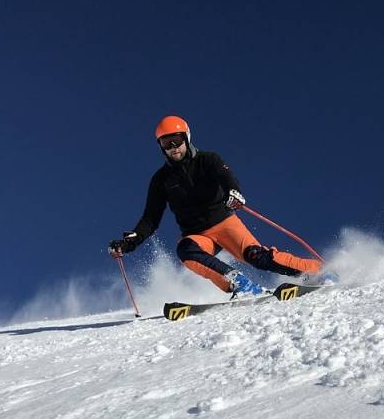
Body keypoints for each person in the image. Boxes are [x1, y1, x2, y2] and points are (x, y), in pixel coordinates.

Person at [109, 115, 323, 296]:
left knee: (256, 257)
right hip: (197, 234)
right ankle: (239, 284)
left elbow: (226, 177)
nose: (173, 148)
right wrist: (130, 242)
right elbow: (150, 218)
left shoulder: (207, 160)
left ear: (186, 138)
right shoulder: (161, 180)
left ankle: (317, 271)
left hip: (224, 222)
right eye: (166, 144)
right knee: (186, 250)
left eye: (176, 140)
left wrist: (234, 193)